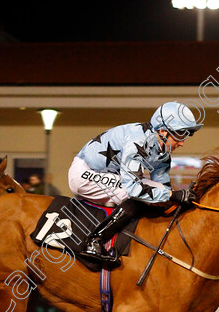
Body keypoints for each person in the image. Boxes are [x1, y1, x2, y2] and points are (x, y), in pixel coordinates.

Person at [68, 101, 203, 263]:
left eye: (185, 136)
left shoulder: (163, 151)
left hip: (107, 174)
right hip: (84, 174)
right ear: (162, 131)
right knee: (136, 194)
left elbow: (163, 189)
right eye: (179, 135)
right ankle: (94, 240)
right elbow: (134, 189)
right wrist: (173, 195)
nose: (182, 143)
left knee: (156, 192)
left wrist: (181, 200)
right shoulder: (137, 141)